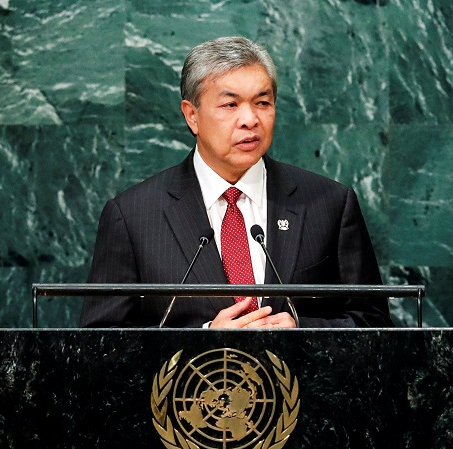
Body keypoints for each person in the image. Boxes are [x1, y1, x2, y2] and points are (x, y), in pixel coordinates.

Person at [80, 36, 392, 328]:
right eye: (230, 105)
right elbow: (102, 346)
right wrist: (203, 341)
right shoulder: (133, 216)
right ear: (192, 116)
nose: (250, 119)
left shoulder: (328, 203)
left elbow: (374, 323)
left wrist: (303, 330)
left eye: (262, 103)